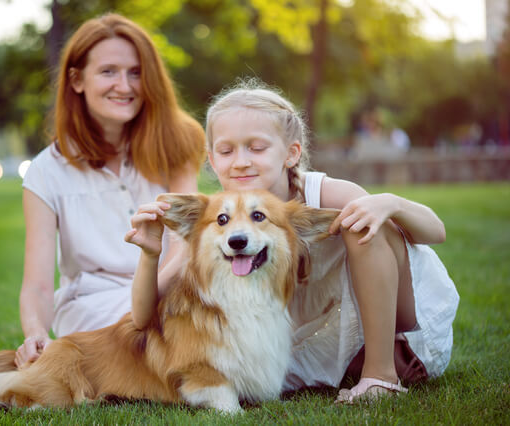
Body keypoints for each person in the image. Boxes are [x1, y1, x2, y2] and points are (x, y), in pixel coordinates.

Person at [126, 79, 459, 403]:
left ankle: (380, 376)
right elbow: (142, 317)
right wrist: (150, 255)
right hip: (321, 344)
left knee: (361, 221)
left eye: (256, 148)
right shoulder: (218, 222)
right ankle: (359, 367)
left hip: (400, 329)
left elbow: (437, 232)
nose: (241, 161)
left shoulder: (324, 193)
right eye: (226, 151)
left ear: (290, 153)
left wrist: (391, 203)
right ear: (212, 160)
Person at [14, 13, 205, 368]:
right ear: (76, 80)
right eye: (108, 72)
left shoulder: (178, 144)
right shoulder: (45, 171)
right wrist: (36, 332)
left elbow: (182, 249)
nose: (125, 85)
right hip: (92, 305)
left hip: (169, 290)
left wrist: (155, 300)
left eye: (136, 72)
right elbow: (38, 284)